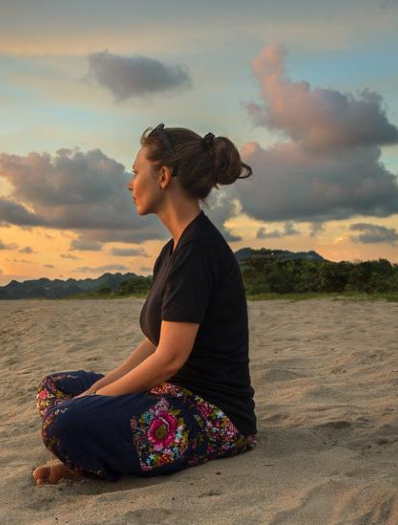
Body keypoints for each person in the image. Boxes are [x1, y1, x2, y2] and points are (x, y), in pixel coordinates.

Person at [32, 124, 257, 485]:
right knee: (55, 389)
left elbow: (170, 359)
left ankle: (86, 460)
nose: (130, 183)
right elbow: (156, 342)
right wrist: (97, 390)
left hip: (212, 415)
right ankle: (91, 454)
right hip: (169, 393)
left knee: (66, 422)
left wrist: (94, 401)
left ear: (164, 175)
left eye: (136, 172)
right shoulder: (174, 250)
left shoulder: (199, 251)